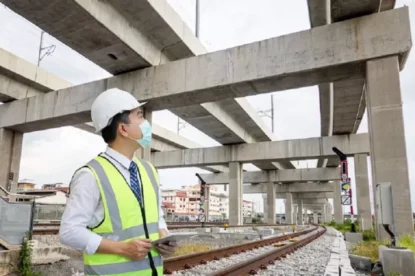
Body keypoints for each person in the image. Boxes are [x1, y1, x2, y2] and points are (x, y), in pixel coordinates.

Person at [59, 88, 177, 275]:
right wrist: (122, 249)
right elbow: (69, 231)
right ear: (123, 129)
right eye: (139, 116)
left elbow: (157, 218)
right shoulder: (91, 175)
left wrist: (164, 236)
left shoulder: (149, 171)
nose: (145, 123)